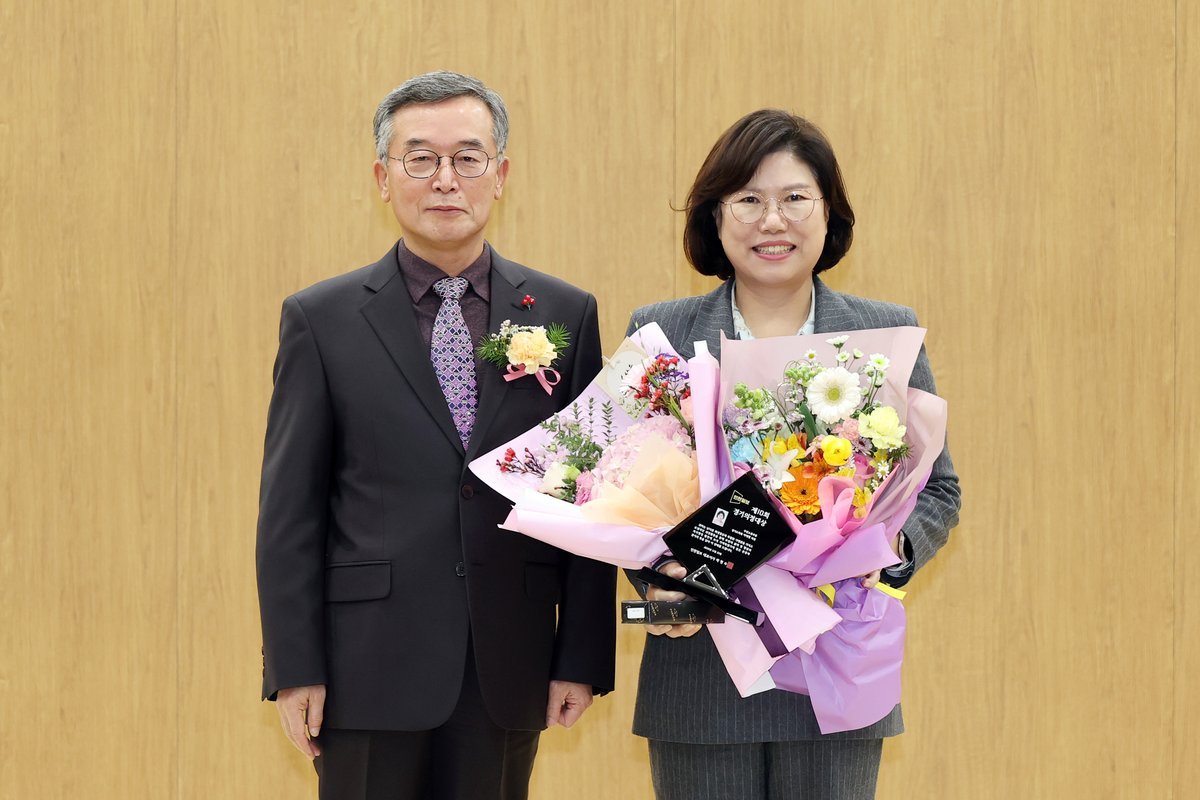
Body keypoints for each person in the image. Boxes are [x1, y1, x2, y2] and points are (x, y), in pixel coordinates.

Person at [256, 71, 616, 800]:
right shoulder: (321, 319)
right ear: (383, 179)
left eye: (467, 158)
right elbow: (290, 512)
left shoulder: (564, 313)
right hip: (364, 666)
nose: (445, 179)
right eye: (420, 159)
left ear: (501, 175)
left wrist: (579, 656)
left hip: (507, 661)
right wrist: (294, 667)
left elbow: (589, 500)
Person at [625, 109, 962, 799]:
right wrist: (662, 580)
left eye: (794, 198)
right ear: (715, 217)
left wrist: (881, 554)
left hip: (836, 665)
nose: (771, 220)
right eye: (748, 199)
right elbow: (624, 493)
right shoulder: (662, 332)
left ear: (829, 213)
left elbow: (938, 489)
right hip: (704, 674)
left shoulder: (884, 333)